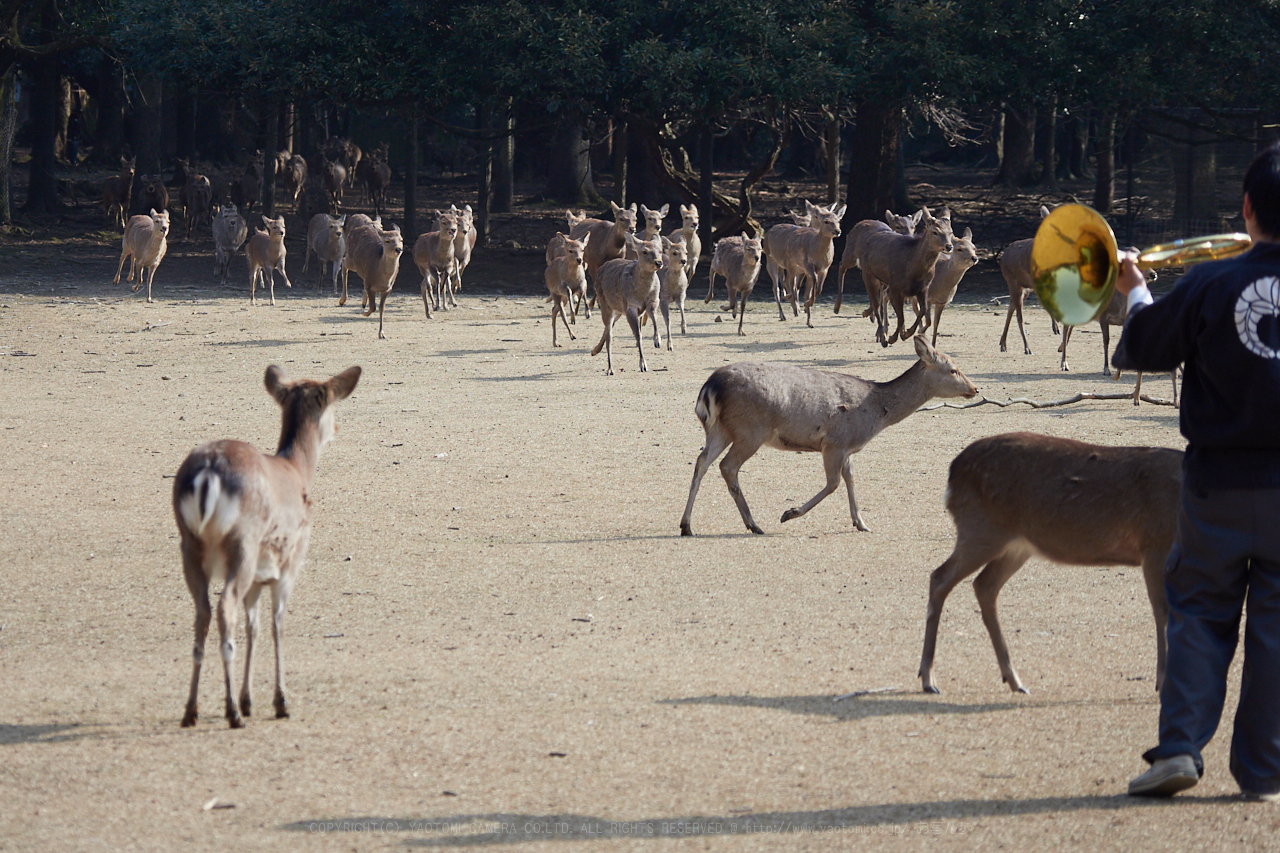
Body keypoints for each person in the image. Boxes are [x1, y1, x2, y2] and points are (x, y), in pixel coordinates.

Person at [1112, 142, 1280, 801]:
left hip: (1216, 488)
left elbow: (1149, 344)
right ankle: (1265, 771)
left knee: (1199, 611)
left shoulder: (1211, 282)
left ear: (1245, 209)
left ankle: (1179, 746)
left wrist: (1137, 288)